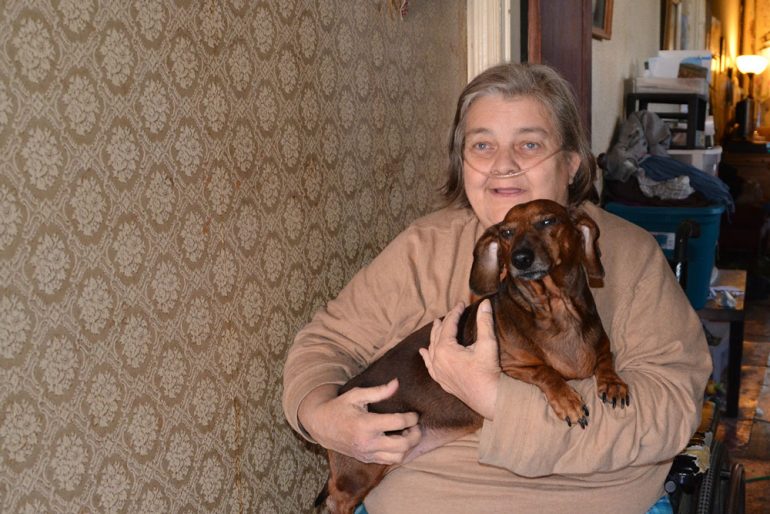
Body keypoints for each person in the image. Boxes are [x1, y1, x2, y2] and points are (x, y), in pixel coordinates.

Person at [282, 62, 712, 514]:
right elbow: (326, 343)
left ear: (571, 163)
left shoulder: (632, 254)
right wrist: (321, 416)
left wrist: (497, 400)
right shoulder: (423, 248)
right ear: (462, 163)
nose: (503, 165)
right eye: (482, 145)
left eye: (529, 144)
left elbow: (670, 408)